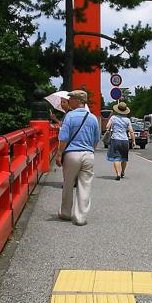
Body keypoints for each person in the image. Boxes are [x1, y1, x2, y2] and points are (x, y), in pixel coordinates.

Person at [55, 90, 100, 225]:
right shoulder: (92, 118)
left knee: (68, 184)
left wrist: (59, 154)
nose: (69, 101)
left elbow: (63, 138)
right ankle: (80, 217)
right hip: (88, 154)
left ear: (78, 101)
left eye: (71, 99)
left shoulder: (69, 117)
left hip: (72, 155)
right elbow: (96, 139)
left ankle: (65, 212)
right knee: (85, 185)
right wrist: (91, 151)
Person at [105, 101, 136, 180]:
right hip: (125, 140)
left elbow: (107, 127)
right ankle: (122, 172)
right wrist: (133, 141)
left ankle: (118, 174)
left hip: (115, 139)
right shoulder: (127, 120)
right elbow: (131, 131)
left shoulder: (113, 118)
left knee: (116, 158)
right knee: (124, 157)